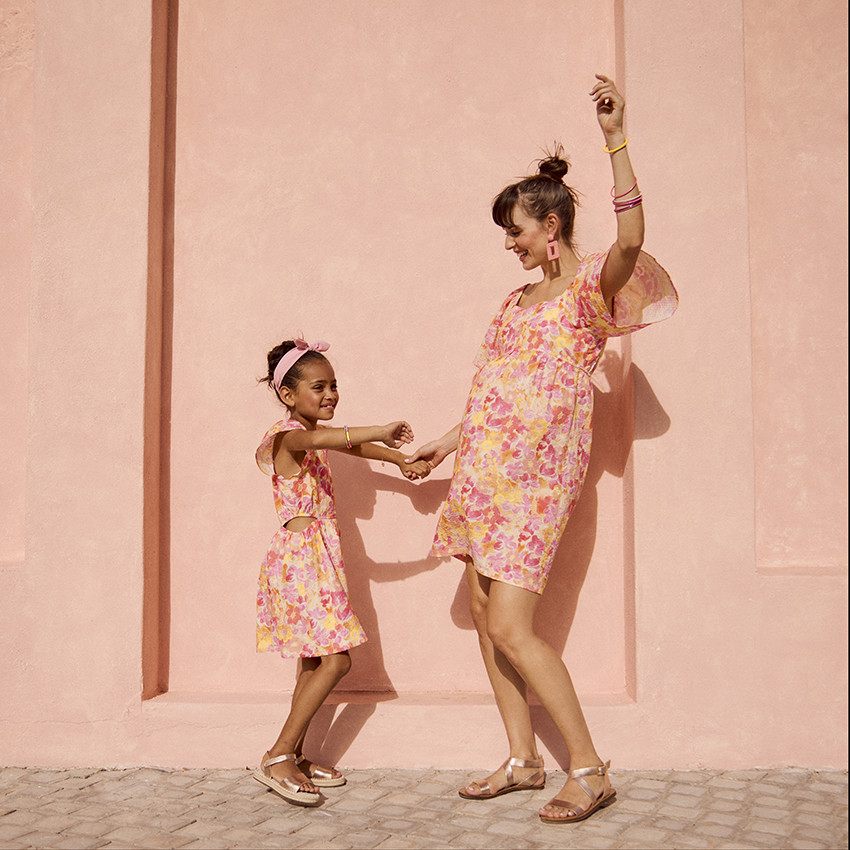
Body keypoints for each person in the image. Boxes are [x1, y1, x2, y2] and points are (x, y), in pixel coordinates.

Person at [406, 74, 678, 824]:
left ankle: (589, 769)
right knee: (482, 608)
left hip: (535, 484)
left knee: (510, 626)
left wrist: (615, 141)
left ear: (549, 226)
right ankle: (523, 759)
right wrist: (446, 445)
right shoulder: (512, 303)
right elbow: (493, 393)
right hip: (482, 476)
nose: (509, 243)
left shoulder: (589, 293)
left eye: (516, 230)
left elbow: (631, 241)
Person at [253, 338, 430, 806]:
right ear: (288, 394)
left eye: (334, 385)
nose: (331, 394)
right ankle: (278, 755)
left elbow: (350, 447)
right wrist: (384, 429)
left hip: (317, 558)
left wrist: (398, 459)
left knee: (314, 662)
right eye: (319, 387)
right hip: (300, 562)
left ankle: (296, 753)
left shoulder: (311, 434)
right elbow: (329, 440)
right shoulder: (289, 436)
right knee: (338, 661)